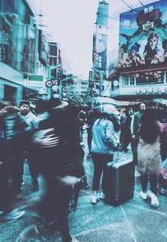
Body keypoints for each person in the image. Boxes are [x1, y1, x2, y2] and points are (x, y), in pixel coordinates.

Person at [32, 102, 84, 242]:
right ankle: (65, 237)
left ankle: (47, 218)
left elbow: (74, 151)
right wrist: (63, 177)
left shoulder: (60, 128)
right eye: (63, 106)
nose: (65, 109)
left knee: (55, 201)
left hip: (59, 174)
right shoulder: (53, 131)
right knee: (61, 207)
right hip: (59, 175)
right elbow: (51, 159)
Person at [90, 104, 119, 204]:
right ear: (110, 115)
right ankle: (104, 193)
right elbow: (109, 137)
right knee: (106, 173)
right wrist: (116, 145)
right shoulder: (109, 123)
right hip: (105, 152)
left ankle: (94, 194)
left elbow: (93, 134)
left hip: (95, 151)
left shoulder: (96, 122)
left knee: (97, 173)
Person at [137, 109, 162, 208]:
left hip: (143, 153)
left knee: (143, 173)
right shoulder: (158, 125)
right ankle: (154, 195)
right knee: (153, 175)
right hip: (154, 152)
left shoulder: (142, 126)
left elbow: (138, 137)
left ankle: (143, 192)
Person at [18, 100, 40, 191]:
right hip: (18, 145)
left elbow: (37, 131)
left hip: (31, 145)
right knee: (18, 164)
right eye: (23, 106)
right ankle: (19, 180)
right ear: (19, 107)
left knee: (33, 165)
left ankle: (35, 180)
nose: (25, 108)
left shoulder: (34, 118)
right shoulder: (16, 117)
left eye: (27, 106)